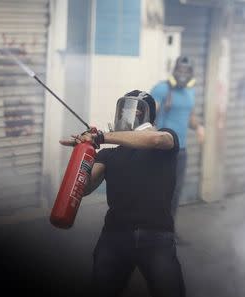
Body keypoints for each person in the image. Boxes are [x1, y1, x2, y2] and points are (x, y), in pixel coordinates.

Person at [60, 90, 185, 297]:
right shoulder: (109, 154)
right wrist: (84, 151)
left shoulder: (165, 138)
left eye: (136, 111)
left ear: (148, 115)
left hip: (157, 235)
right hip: (115, 235)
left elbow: (155, 140)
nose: (129, 116)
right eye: (125, 110)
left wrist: (101, 136)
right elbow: (85, 189)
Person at [150, 56, 205, 228]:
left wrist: (199, 128)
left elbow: (189, 117)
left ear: (191, 74)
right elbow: (148, 116)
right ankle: (151, 229)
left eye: (186, 71)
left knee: (175, 191)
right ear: (174, 71)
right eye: (180, 70)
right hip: (163, 149)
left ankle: (168, 230)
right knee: (158, 190)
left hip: (181, 150)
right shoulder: (161, 89)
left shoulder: (190, 92)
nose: (182, 74)